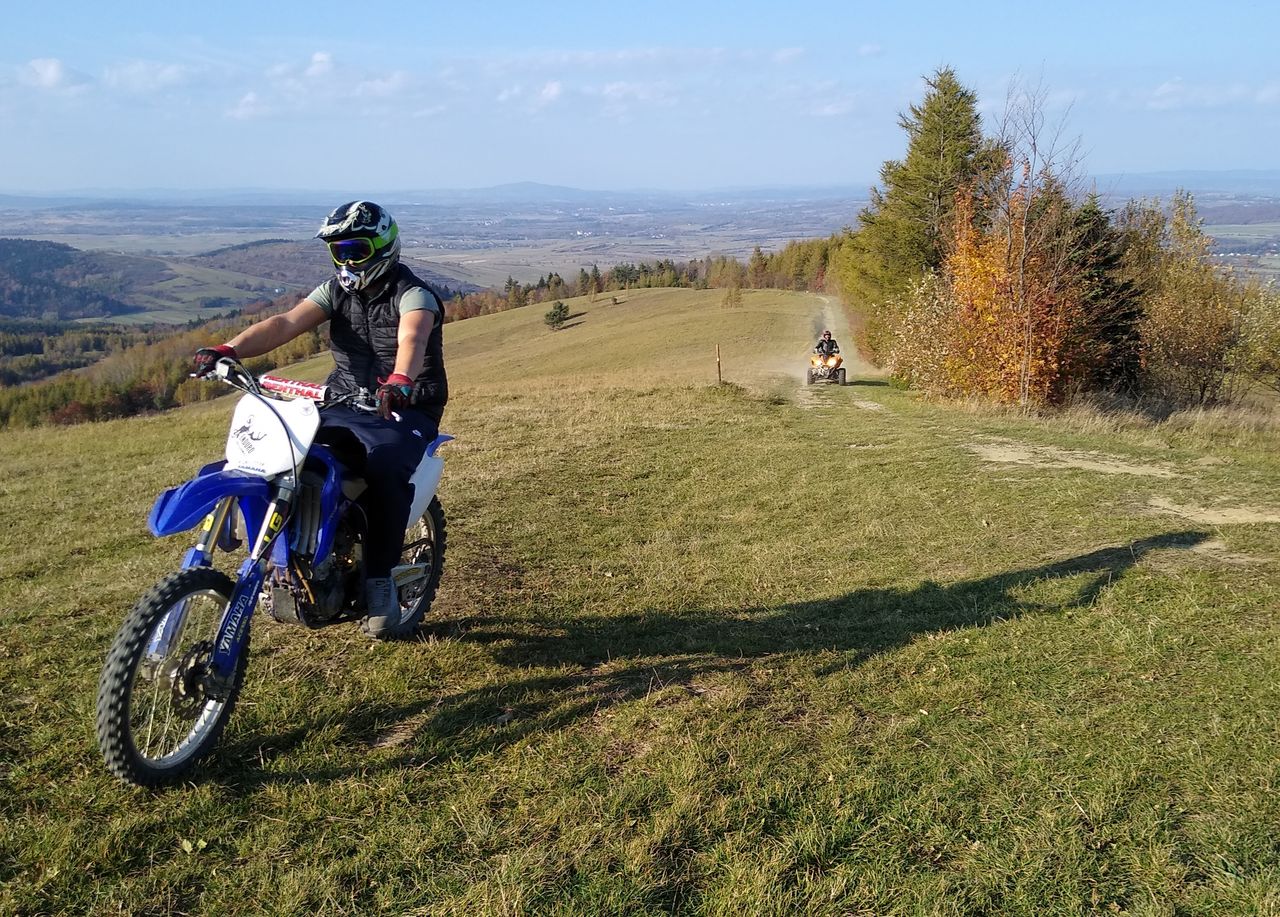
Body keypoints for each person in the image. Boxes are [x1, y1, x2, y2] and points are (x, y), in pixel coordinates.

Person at [192, 200, 447, 638]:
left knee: (384, 466)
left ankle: (381, 580)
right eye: (339, 251)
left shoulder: (414, 295)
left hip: (405, 405)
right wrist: (228, 349)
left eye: (356, 250)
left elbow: (413, 335)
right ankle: (291, 551)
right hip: (344, 398)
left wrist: (401, 378)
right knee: (284, 448)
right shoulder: (335, 292)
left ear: (383, 248)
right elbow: (285, 322)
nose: (347, 260)